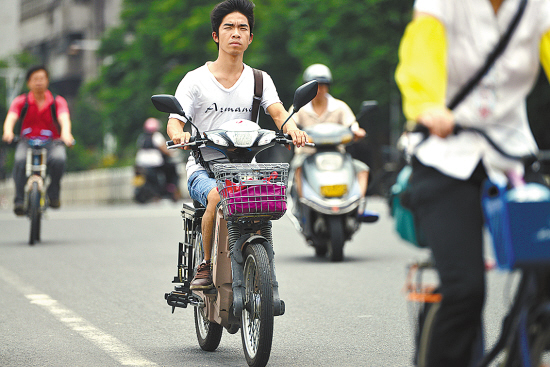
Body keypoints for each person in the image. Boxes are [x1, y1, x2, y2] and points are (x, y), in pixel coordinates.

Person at [395, 0, 550, 366]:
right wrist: (426, 105)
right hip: (445, 156)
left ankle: (527, 346)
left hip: (511, 155)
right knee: (465, 289)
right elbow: (421, 56)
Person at [166, 0, 308, 290]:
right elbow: (175, 121)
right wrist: (179, 134)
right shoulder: (195, 80)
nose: (236, 33)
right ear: (216, 35)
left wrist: (293, 129)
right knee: (219, 196)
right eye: (228, 27)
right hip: (203, 169)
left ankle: (264, 269)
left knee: (265, 203)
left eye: (243, 28)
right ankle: (205, 266)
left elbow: (278, 113)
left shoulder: (259, 80)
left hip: (246, 168)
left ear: (250, 38)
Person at [2, 65, 74, 215]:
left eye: (42, 78)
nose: (39, 82)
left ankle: (53, 193)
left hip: (52, 142)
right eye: (35, 79)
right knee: (20, 160)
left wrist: (66, 134)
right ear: (29, 83)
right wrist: (8, 132)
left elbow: (64, 119)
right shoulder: (21, 101)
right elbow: (11, 118)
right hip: (26, 142)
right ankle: (19, 200)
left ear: (47, 81)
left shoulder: (57, 101)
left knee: (59, 159)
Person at [291, 64, 369, 199]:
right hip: (307, 155)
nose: (319, 89)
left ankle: (358, 205)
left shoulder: (339, 106)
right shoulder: (299, 107)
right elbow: (290, 124)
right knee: (297, 167)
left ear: (328, 86)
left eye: (323, 85)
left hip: (337, 154)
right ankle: (303, 202)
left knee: (362, 169)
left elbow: (351, 124)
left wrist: (357, 131)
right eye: (315, 86)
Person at [135, 117, 181, 201]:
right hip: (155, 164)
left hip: (141, 164)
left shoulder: (142, 137)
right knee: (170, 170)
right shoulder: (157, 136)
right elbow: (165, 150)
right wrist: (173, 153)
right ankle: (169, 189)